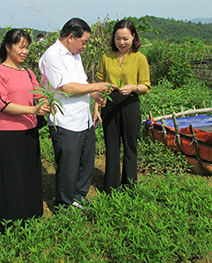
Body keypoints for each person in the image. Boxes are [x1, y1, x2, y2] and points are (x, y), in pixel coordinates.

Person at [39, 17, 112, 209]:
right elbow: (67, 88)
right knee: (67, 167)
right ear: (71, 37)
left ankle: (79, 196)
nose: (84, 47)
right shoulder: (52, 55)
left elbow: (82, 83)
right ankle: (64, 204)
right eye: (84, 42)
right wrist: (97, 86)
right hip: (65, 121)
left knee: (85, 161)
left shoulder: (75, 55)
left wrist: (94, 93)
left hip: (83, 119)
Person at [0, 29, 51, 230]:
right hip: (9, 131)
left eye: (27, 47)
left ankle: (32, 215)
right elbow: (3, 104)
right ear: (8, 47)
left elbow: (38, 93)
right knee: (13, 175)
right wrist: (33, 109)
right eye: (20, 47)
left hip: (30, 128)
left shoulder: (27, 72)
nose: (25, 51)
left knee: (30, 172)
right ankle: (12, 221)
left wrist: (46, 102)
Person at [93, 19, 151, 193]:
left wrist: (134, 87)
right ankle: (111, 186)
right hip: (109, 102)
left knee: (130, 145)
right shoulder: (106, 57)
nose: (122, 42)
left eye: (125, 38)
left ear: (133, 37)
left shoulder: (140, 58)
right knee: (111, 145)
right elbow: (100, 82)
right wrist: (97, 106)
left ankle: (129, 186)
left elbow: (146, 85)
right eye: (118, 38)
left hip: (130, 103)